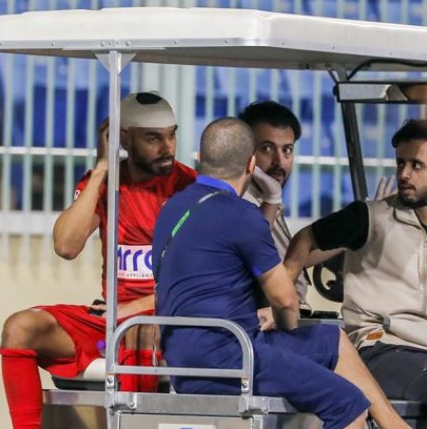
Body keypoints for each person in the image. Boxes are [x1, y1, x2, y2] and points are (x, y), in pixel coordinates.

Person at [153, 117, 409, 429]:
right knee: (349, 406)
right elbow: (285, 299)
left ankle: (396, 426)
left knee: (333, 339)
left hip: (183, 356)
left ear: (200, 159)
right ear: (251, 164)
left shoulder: (171, 208)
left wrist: (272, 200)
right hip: (231, 358)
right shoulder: (241, 214)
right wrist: (288, 329)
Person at [285, 119, 427, 429]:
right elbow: (305, 239)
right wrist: (284, 293)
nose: (404, 174)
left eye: (416, 165)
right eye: (401, 163)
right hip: (382, 347)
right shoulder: (369, 216)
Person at [0, 92, 197, 429]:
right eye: (153, 138)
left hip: (165, 319)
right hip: (112, 320)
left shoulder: (189, 188)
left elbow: (196, 281)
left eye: (171, 135)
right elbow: (66, 246)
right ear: (124, 139)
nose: (168, 147)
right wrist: (102, 169)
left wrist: (131, 310)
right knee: (19, 328)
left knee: (139, 331)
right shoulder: (107, 183)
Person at [238, 101, 310, 309]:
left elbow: (285, 257)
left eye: (287, 150)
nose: (279, 161)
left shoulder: (267, 198)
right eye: (267, 149)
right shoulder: (242, 203)